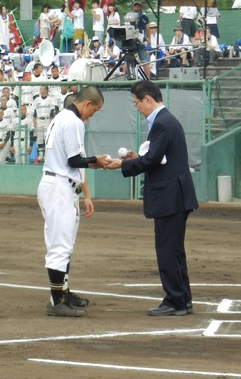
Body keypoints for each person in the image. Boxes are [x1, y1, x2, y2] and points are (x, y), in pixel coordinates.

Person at [106, 80, 198, 316]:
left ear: (148, 99)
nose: (136, 108)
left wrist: (124, 164)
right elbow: (157, 158)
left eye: (137, 102)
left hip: (170, 197)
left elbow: (152, 160)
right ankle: (182, 299)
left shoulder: (162, 124)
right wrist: (136, 159)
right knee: (175, 251)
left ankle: (175, 301)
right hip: (176, 195)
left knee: (168, 250)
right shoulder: (165, 121)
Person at [37, 85, 112, 317]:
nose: (93, 115)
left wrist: (85, 191)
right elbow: (74, 160)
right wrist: (96, 161)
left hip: (60, 186)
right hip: (59, 186)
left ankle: (63, 293)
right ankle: (57, 301)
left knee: (63, 245)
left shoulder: (61, 118)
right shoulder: (73, 121)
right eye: (95, 110)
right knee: (60, 246)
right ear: (87, 104)